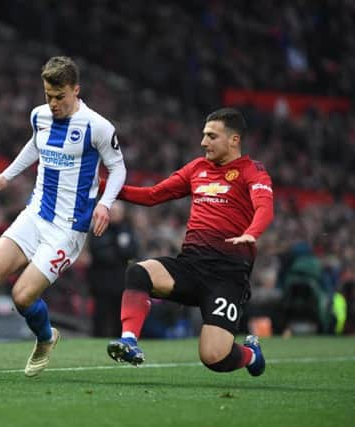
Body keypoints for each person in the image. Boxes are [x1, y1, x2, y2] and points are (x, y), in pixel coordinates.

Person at [0, 56, 126, 377]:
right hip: (35, 214)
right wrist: (6, 176)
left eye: (60, 96)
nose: (53, 103)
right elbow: (34, 145)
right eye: (48, 95)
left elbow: (118, 168)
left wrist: (105, 203)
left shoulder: (97, 127)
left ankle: (46, 337)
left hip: (67, 230)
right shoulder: (40, 116)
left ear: (76, 90)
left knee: (22, 296)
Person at [105, 108, 273, 377]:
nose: (204, 142)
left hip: (227, 277)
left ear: (234, 140)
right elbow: (151, 195)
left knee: (213, 357)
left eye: (211, 136)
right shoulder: (197, 168)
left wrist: (252, 231)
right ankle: (129, 341)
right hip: (190, 267)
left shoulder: (251, 171)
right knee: (138, 271)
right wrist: (105, 187)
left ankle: (251, 354)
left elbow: (264, 206)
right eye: (204, 135)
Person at [88, 200, 139, 337]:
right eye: (113, 212)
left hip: (121, 282)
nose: (115, 215)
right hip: (101, 283)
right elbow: (100, 253)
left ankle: (120, 342)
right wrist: (119, 252)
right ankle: (97, 341)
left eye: (118, 212)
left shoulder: (127, 229)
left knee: (120, 316)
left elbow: (133, 251)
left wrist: (115, 251)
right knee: (100, 316)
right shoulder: (99, 228)